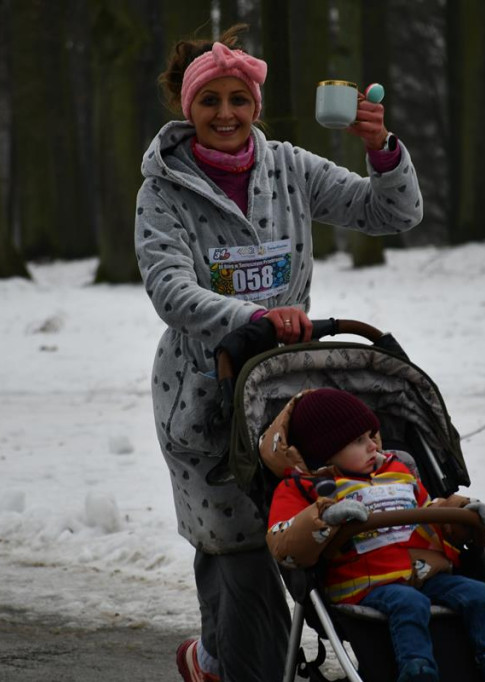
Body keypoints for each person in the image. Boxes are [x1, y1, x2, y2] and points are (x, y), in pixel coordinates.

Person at [135, 22, 423, 682]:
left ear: (255, 107)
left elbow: (392, 214)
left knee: (310, 533)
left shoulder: (291, 167)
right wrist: (258, 318)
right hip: (202, 395)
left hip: (285, 392)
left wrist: (380, 149)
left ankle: (236, 659)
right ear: (188, 108)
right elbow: (169, 289)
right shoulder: (163, 190)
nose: (226, 114)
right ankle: (226, 663)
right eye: (210, 101)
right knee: (235, 550)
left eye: (239, 100)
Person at [263, 388, 485, 682]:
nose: (372, 447)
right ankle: (417, 672)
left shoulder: (398, 470)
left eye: (371, 435)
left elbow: (430, 509)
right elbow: (284, 541)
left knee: (478, 594)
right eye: (358, 440)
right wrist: (322, 518)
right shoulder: (305, 488)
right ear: (324, 451)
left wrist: (464, 512)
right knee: (408, 602)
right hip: (366, 584)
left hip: (426, 574)